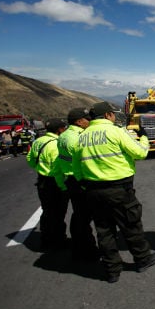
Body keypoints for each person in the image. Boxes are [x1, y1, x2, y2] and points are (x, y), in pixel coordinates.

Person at [72, 101, 155, 283]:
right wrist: (143, 137)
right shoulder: (116, 131)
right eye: (112, 114)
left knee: (104, 231)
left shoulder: (82, 137)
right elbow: (140, 153)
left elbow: (76, 167)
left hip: (93, 191)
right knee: (131, 224)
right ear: (107, 116)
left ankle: (112, 270)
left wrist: (85, 184)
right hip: (119, 189)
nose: (113, 116)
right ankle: (143, 259)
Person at [56, 107, 99, 261]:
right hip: (78, 181)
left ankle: (81, 248)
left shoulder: (65, 135)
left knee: (80, 216)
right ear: (79, 121)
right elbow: (82, 160)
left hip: (71, 180)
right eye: (87, 119)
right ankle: (85, 251)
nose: (90, 121)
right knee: (83, 218)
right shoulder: (76, 138)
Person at [26, 118, 69, 250]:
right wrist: (63, 186)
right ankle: (58, 241)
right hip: (55, 183)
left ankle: (46, 239)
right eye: (64, 128)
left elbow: (30, 159)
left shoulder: (38, 141)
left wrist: (40, 169)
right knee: (58, 213)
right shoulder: (56, 144)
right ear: (60, 130)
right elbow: (57, 169)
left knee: (47, 211)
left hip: (42, 181)